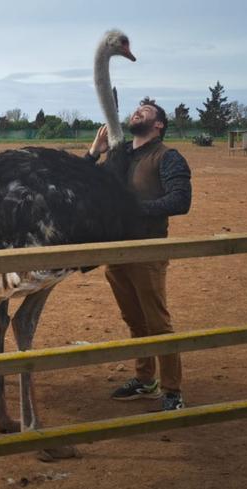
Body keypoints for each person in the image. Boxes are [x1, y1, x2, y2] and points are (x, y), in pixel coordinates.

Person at [85, 101, 192, 411]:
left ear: (159, 125)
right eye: (137, 108)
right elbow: (86, 184)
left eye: (146, 110)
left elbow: (180, 200)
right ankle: (146, 380)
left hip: (148, 251)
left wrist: (131, 210)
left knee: (157, 321)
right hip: (117, 252)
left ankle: (172, 390)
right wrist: (95, 152)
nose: (138, 111)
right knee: (134, 320)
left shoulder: (167, 157)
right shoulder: (119, 158)